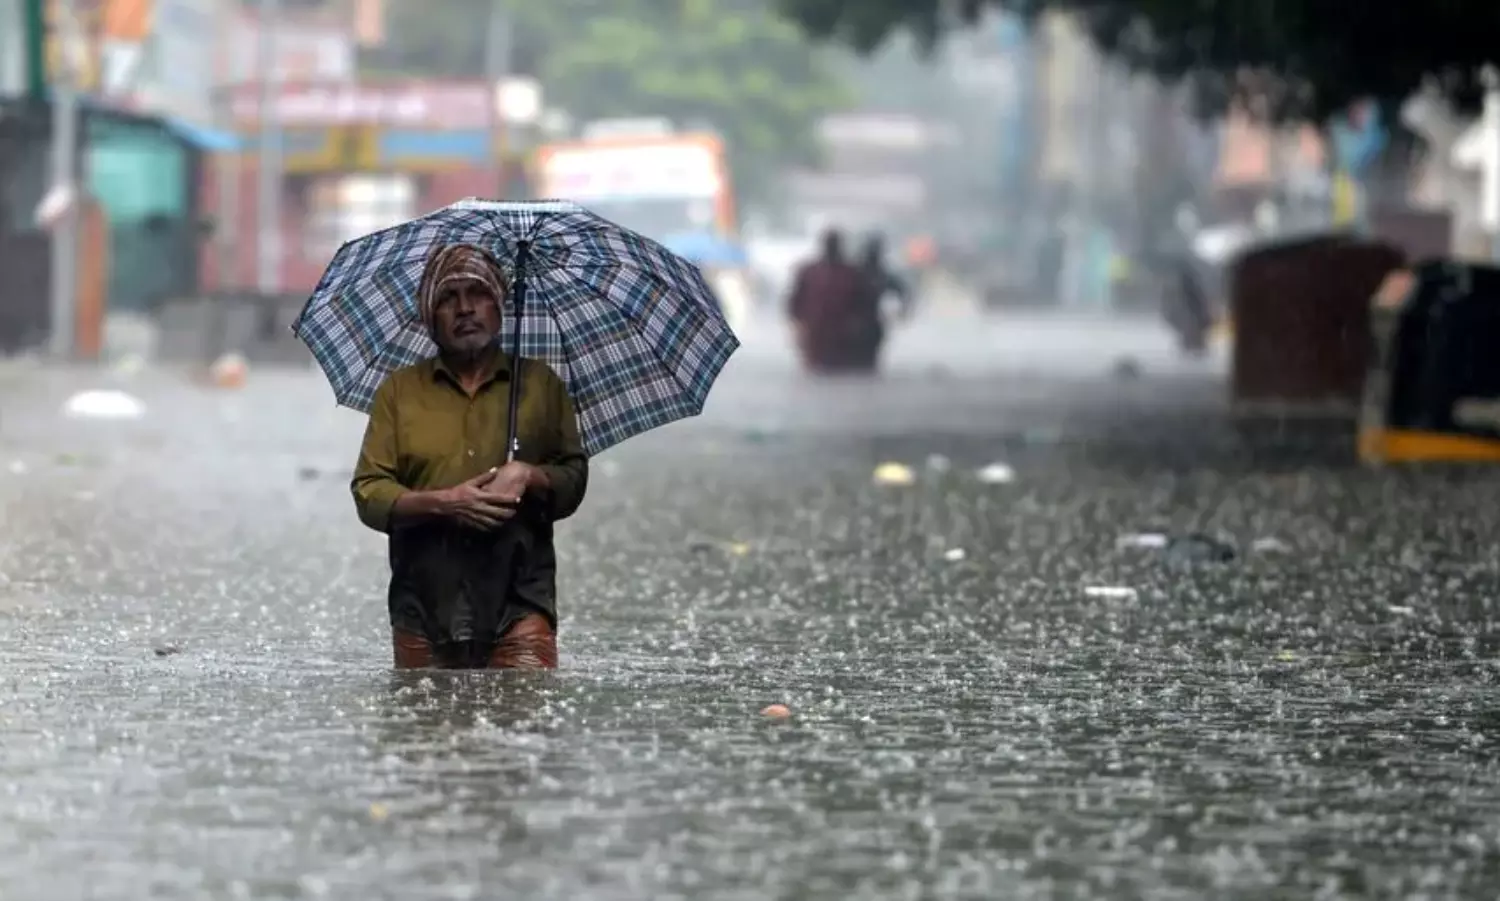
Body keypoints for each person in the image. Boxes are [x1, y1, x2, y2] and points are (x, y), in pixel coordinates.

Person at [351, 243, 589, 670]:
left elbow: (573, 480)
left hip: (520, 603)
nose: (465, 309)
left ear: (499, 307)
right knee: (423, 730)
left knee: (524, 728)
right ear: (430, 318)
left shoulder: (540, 386)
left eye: (478, 293)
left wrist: (528, 475)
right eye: (447, 298)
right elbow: (369, 493)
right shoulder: (399, 392)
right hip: (423, 606)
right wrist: (445, 503)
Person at [786, 228, 869, 373]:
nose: (831, 247)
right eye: (829, 243)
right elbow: (794, 302)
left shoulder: (852, 273)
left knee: (841, 373)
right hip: (816, 335)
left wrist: (857, 326)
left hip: (843, 337)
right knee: (817, 371)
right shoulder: (809, 272)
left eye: (834, 244)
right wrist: (799, 327)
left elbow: (863, 304)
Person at [850, 234, 913, 369]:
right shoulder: (855, 274)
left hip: (870, 325)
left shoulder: (880, 275)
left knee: (866, 364)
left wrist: (903, 311)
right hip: (857, 325)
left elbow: (903, 292)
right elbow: (902, 292)